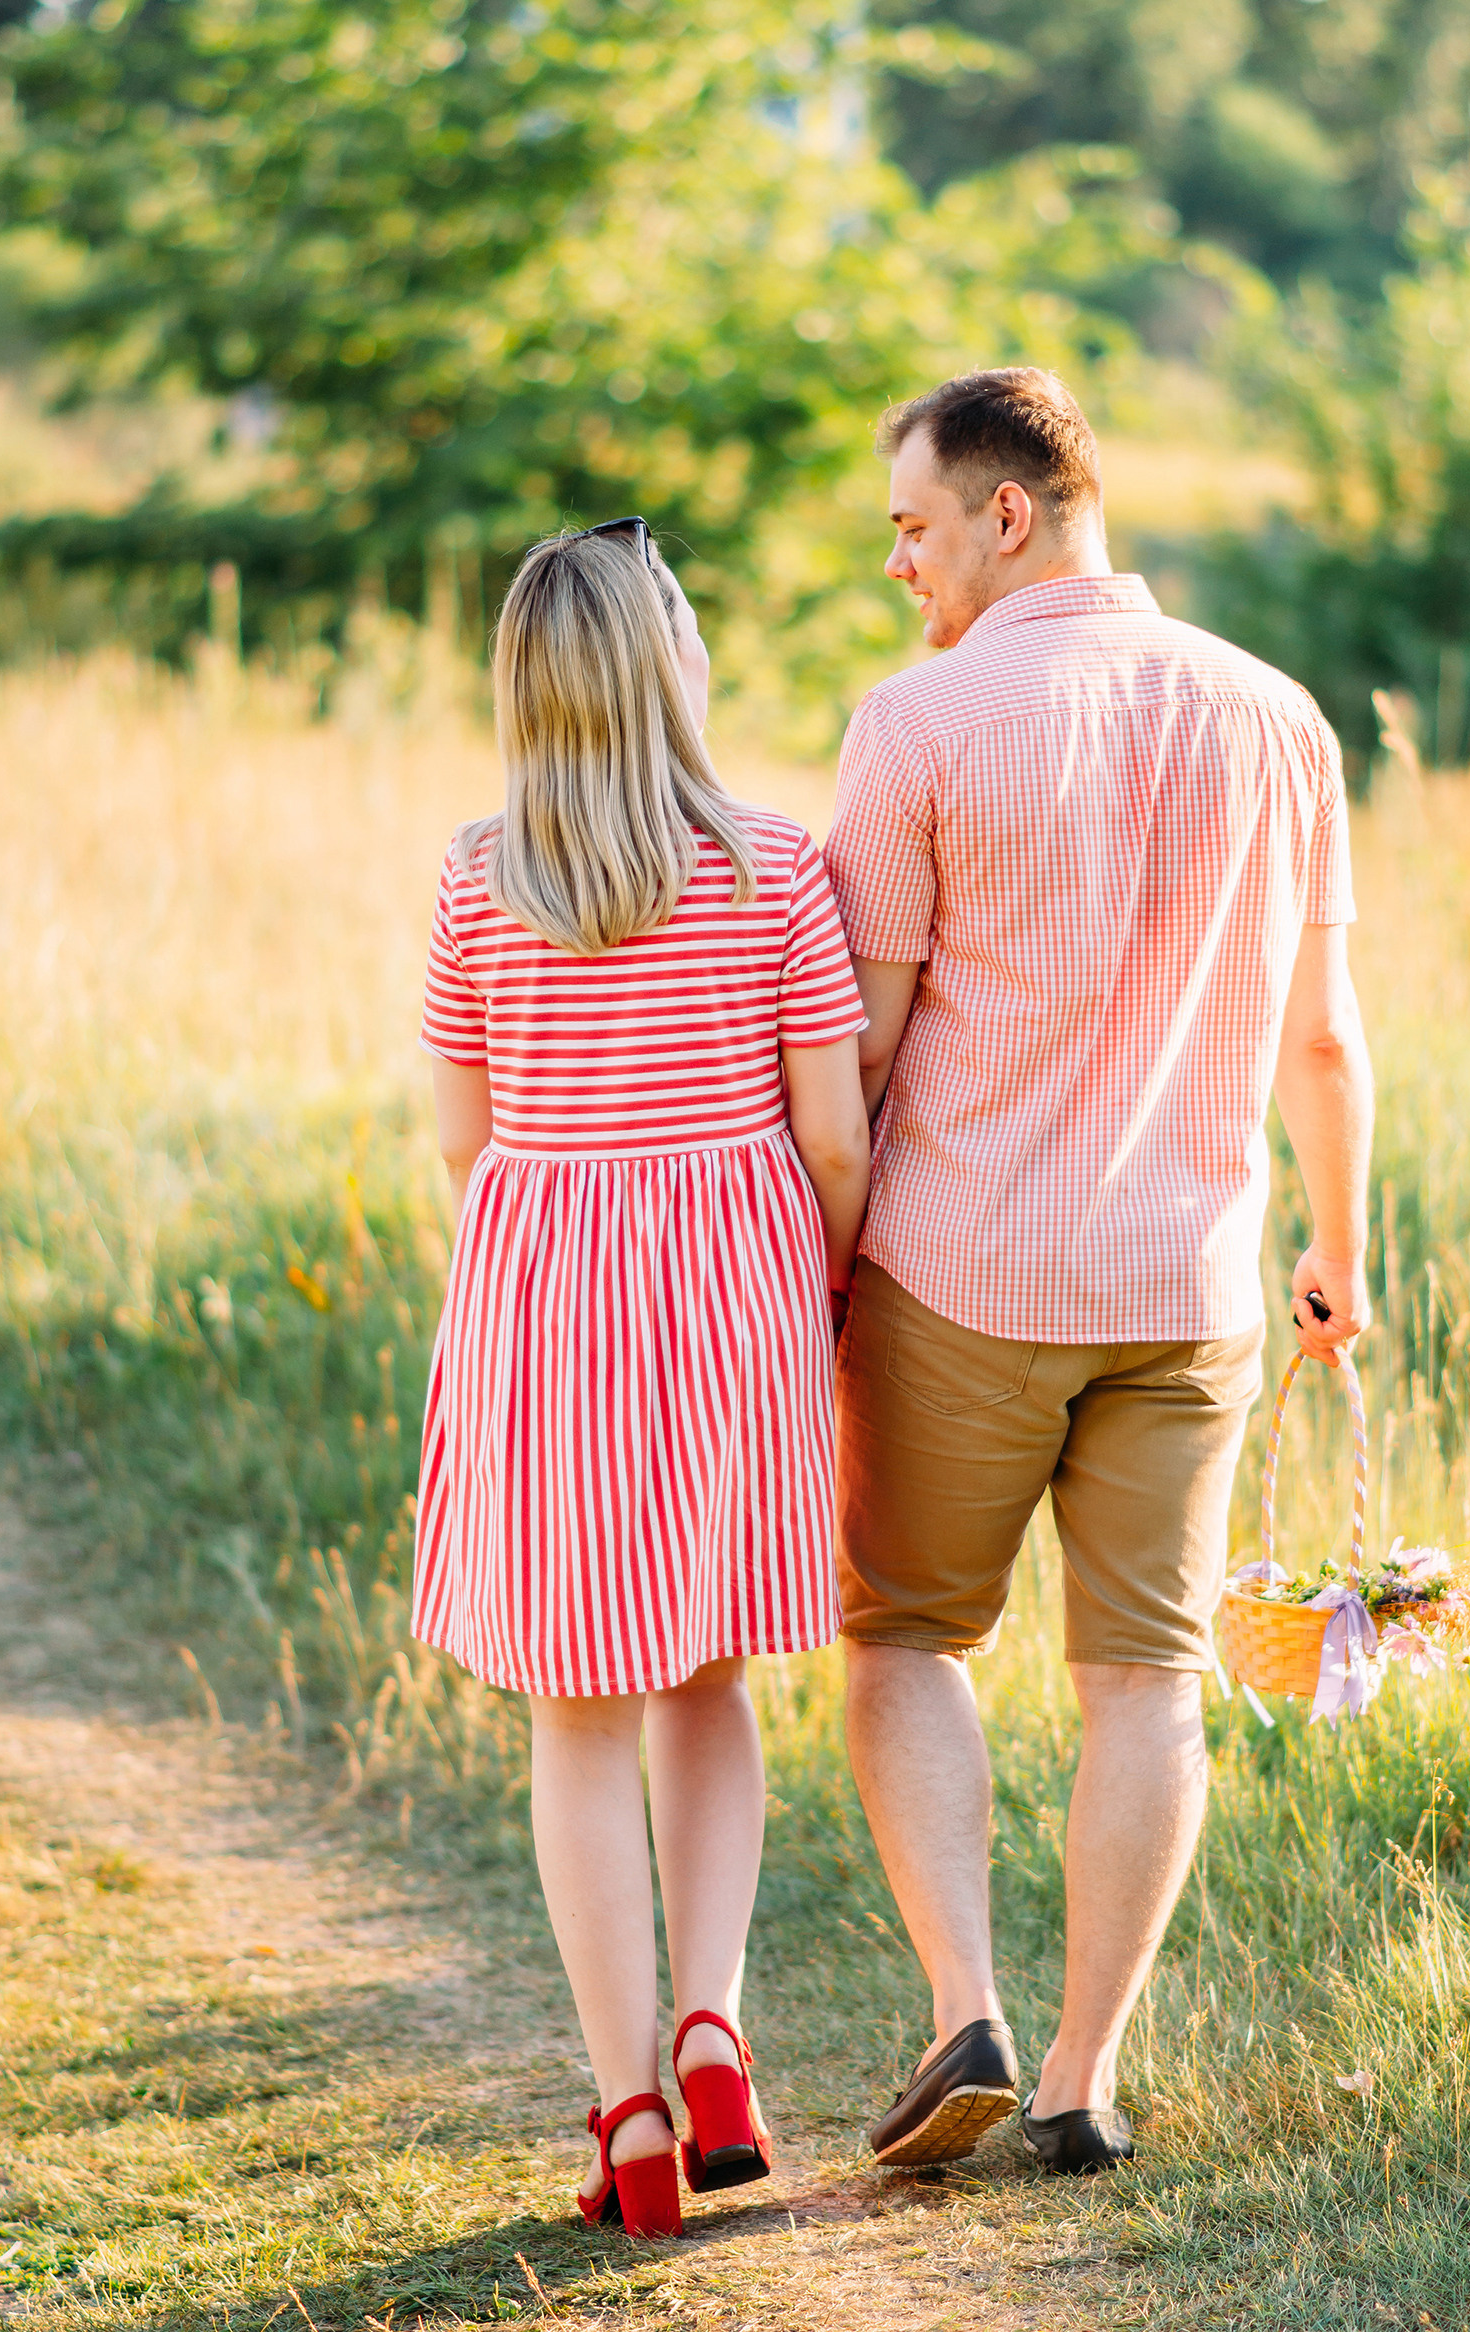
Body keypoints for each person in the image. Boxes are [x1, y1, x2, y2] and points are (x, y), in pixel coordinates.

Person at [823, 367, 1373, 2177]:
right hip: (1192, 1283)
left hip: (964, 1272)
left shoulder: (913, 729)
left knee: (908, 1633)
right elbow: (1326, 1045)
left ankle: (962, 2004)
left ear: (1008, 511)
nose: (897, 564)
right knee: (1147, 1678)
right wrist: (1338, 1248)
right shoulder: (1283, 718)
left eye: (913, 526)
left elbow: (869, 1050)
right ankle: (1077, 2076)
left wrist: (814, 1259)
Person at [413, 525, 871, 2240]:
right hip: (736, 1292)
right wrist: (806, 1283)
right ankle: (716, 2033)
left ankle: (625, 2113)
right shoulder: (772, 867)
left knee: (577, 1713)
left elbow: (464, 1140)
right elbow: (832, 1132)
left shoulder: (479, 876)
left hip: (549, 1301)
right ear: (672, 663)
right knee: (706, 1681)